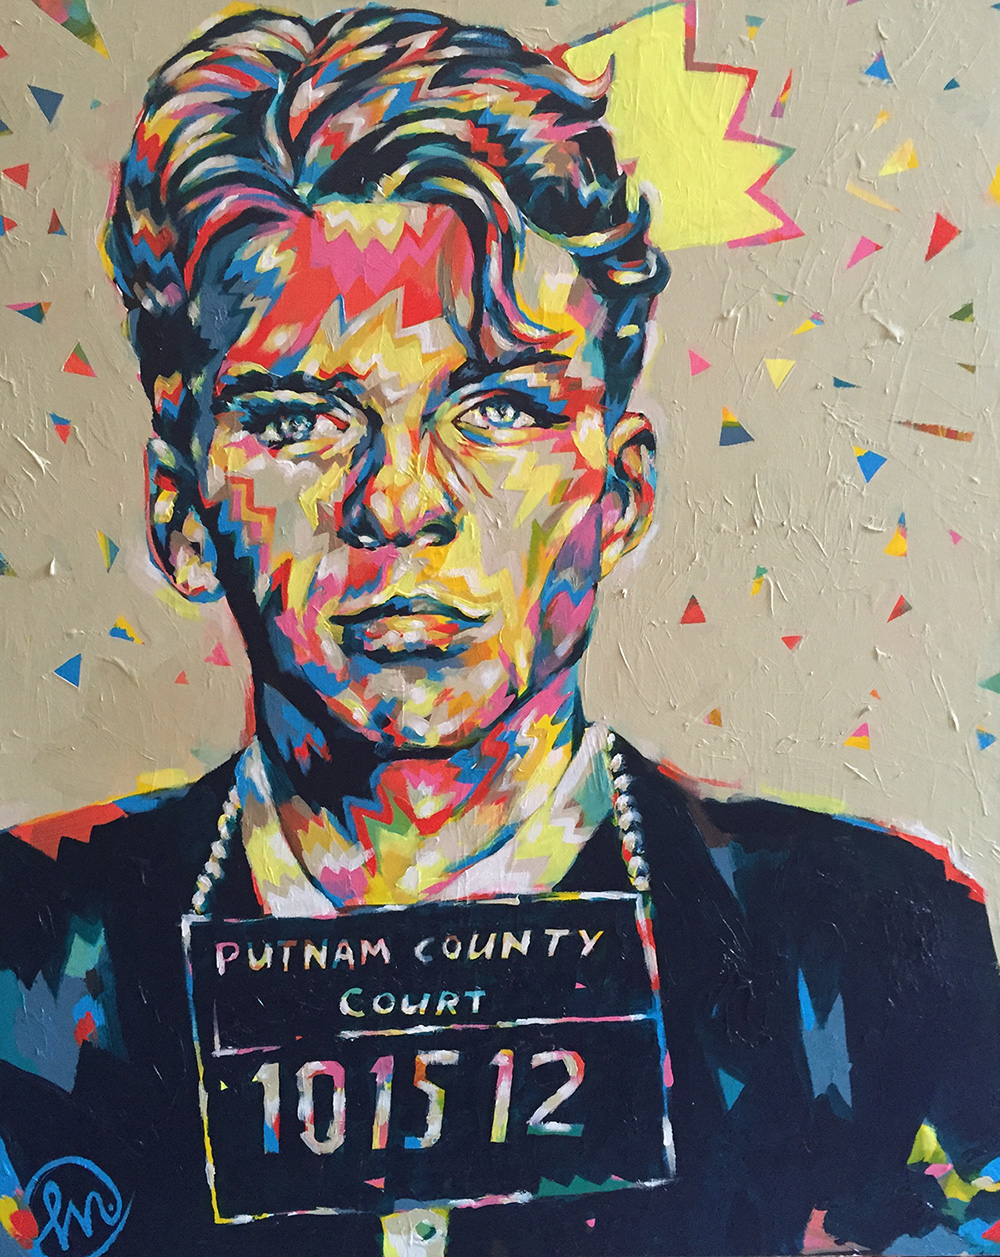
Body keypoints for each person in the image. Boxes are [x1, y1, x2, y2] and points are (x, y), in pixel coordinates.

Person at [1, 7, 999, 1256]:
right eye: (300, 418)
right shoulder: (31, 956)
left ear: (617, 494)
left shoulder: (863, 948)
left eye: (497, 409)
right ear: (180, 507)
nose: (399, 502)